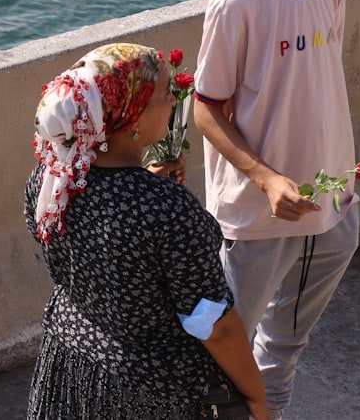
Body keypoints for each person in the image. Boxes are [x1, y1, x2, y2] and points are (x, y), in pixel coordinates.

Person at [193, 0, 360, 419]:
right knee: (224, 359)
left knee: (283, 349)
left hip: (335, 207)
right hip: (257, 219)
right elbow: (205, 108)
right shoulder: (237, 2)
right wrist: (266, 180)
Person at [24, 43, 267, 420]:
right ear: (130, 117)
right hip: (147, 392)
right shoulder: (165, 207)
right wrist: (257, 398)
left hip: (71, 366)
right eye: (165, 94)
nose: (173, 102)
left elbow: (95, 246)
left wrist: (147, 186)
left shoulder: (51, 177)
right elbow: (212, 324)